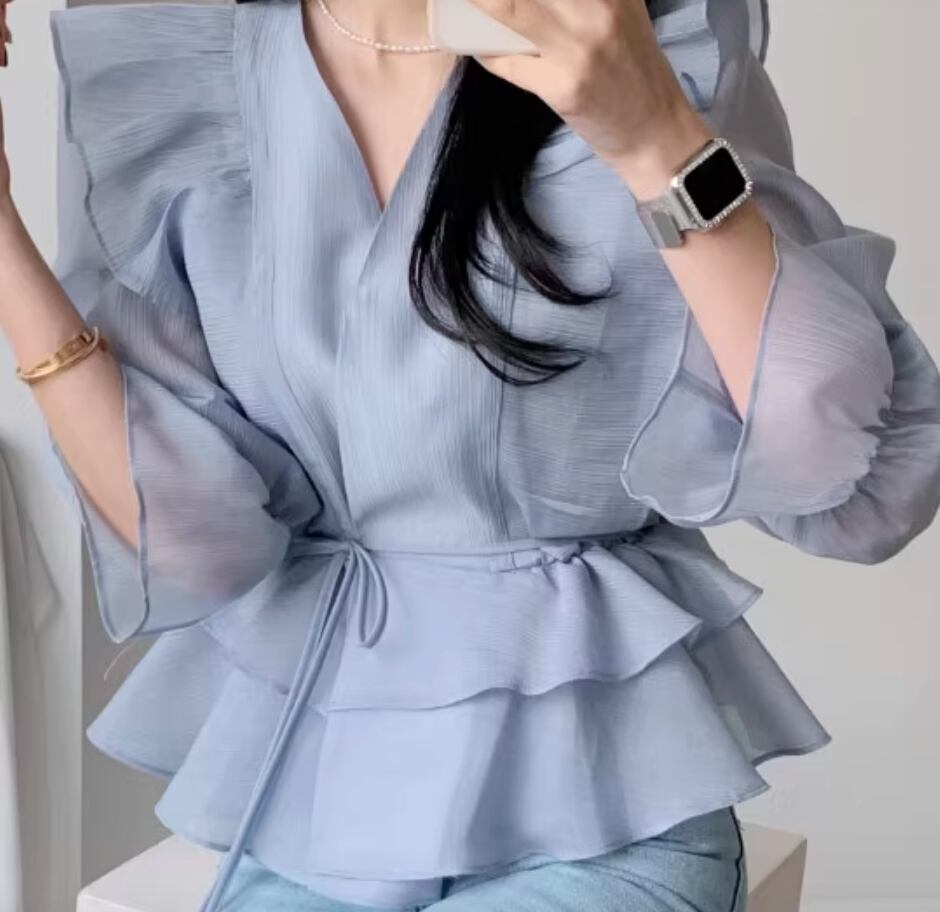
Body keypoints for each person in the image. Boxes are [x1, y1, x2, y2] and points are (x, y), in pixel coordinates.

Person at [1, 0, 938, 909]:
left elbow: (859, 485)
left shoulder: (635, 40)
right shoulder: (185, 71)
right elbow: (200, 548)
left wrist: (656, 138)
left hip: (604, 817)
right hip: (318, 819)